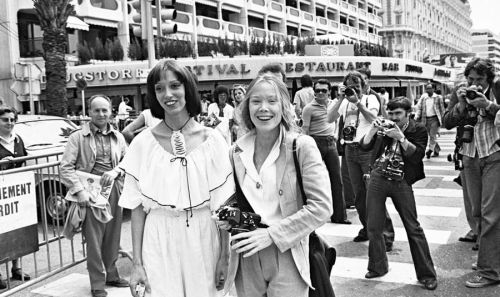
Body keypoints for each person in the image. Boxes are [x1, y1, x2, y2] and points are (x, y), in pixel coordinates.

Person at [119, 60, 234, 297]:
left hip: (203, 236)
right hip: (158, 237)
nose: (167, 94)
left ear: (187, 89)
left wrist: (225, 255)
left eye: (174, 86)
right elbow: (137, 209)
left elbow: (224, 206)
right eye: (159, 88)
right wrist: (137, 264)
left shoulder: (212, 141)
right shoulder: (142, 143)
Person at [217, 74, 332, 297]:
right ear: (246, 106)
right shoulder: (235, 152)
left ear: (284, 106)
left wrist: (270, 235)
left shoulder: (301, 146)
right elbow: (233, 201)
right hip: (245, 254)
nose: (263, 108)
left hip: (287, 250)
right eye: (256, 101)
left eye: (272, 101)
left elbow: (322, 208)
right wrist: (228, 216)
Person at [360, 97, 438, 290]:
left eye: (398, 114)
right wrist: (373, 129)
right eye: (391, 113)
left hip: (401, 179)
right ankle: (378, 267)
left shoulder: (417, 129)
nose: (394, 117)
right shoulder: (385, 126)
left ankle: (427, 274)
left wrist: (400, 137)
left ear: (408, 113)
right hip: (379, 176)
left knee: (413, 227)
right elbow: (364, 146)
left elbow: (417, 154)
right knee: (374, 226)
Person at [60, 95, 128, 297]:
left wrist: (117, 172)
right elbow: (65, 167)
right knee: (94, 239)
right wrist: (79, 191)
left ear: (111, 112)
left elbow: (128, 161)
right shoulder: (77, 137)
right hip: (90, 192)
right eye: (96, 110)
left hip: (114, 190)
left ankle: (112, 274)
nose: (101, 114)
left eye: (105, 110)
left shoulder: (118, 136)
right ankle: (97, 283)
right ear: (89, 112)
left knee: (113, 236)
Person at [443, 57, 500, 288]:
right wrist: (461, 104)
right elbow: (447, 122)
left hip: (494, 155)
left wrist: (487, 106)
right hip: (469, 155)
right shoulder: (460, 93)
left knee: (491, 214)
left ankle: (490, 271)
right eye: (470, 78)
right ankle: (491, 258)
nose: (474, 83)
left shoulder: (497, 90)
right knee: (476, 212)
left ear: (489, 79)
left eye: (479, 79)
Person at [327, 71, 395, 248]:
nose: (354, 90)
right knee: (359, 195)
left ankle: (386, 235)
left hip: (367, 149)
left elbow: (374, 118)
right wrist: (341, 98)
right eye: (350, 86)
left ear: (363, 86)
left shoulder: (370, 99)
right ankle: (368, 228)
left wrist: (357, 102)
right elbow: (329, 118)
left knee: (374, 193)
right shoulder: (343, 102)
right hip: (350, 149)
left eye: (357, 86)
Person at [302, 79, 349, 224]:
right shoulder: (308, 108)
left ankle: (339, 216)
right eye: (317, 90)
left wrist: (335, 136)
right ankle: (307, 216)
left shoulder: (334, 105)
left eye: (324, 90)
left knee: (337, 180)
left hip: (330, 143)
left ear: (329, 92)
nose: (320, 93)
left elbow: (337, 121)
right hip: (315, 142)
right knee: (311, 180)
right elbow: (305, 130)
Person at [0, 106, 31, 289]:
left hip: (16, 193)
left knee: (16, 229)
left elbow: (24, 160)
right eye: (5, 120)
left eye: (12, 119)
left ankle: (16, 268)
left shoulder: (18, 139)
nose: (10, 123)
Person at [414, 84, 445, 158]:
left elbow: (442, 109)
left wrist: (444, 119)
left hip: (435, 119)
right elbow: (420, 108)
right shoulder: (424, 98)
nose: (428, 90)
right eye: (427, 89)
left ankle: (430, 150)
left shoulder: (438, 97)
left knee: (432, 135)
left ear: (433, 89)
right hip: (425, 119)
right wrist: (416, 117)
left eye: (430, 88)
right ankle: (436, 150)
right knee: (430, 136)